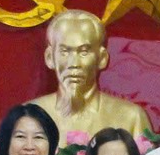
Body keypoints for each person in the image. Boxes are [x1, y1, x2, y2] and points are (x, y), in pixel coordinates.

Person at [29, 8, 152, 137]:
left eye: (84, 52)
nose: (74, 64)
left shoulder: (132, 118)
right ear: (49, 57)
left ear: (102, 58)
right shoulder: (28, 117)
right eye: (64, 52)